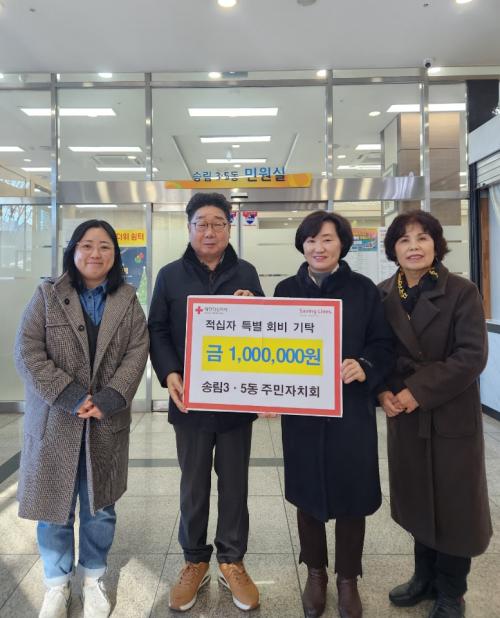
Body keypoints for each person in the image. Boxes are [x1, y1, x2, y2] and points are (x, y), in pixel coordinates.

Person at [14, 220, 149, 618]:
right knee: (53, 506)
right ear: (73, 250)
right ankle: (57, 585)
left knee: (99, 506)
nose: (95, 254)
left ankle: (93, 579)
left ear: (115, 255)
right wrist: (71, 396)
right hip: (55, 419)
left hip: (104, 421)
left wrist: (108, 398)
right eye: (87, 245)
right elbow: (27, 352)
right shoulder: (47, 294)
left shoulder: (127, 299)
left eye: (105, 247)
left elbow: (137, 352)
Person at [274, 210, 394, 618]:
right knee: (306, 494)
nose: (318, 247)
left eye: (327, 239)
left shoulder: (363, 290)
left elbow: (382, 344)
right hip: (303, 412)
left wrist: (364, 365)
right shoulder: (286, 290)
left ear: (342, 243)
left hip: (350, 410)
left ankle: (347, 578)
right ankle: (315, 573)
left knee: (352, 495)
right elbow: (270, 348)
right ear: (302, 245)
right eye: (311, 240)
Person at [148, 192, 264, 612]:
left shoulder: (246, 272)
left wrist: (255, 308)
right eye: (202, 223)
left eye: (218, 223)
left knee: (235, 485)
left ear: (229, 228)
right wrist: (170, 373)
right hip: (190, 401)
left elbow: (266, 329)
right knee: (193, 485)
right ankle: (195, 561)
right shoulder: (170, 275)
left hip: (235, 402)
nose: (210, 231)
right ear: (189, 228)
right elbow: (157, 329)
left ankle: (232, 560)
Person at [378, 210, 492, 618]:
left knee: (454, 504)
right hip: (404, 415)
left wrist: (417, 392)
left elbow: (471, 356)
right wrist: (383, 391)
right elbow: (378, 351)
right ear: (393, 249)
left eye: (422, 237)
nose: (414, 247)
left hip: (449, 411)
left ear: (436, 245)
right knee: (417, 498)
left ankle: (451, 591)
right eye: (404, 239)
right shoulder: (383, 294)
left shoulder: (461, 291)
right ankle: (423, 577)